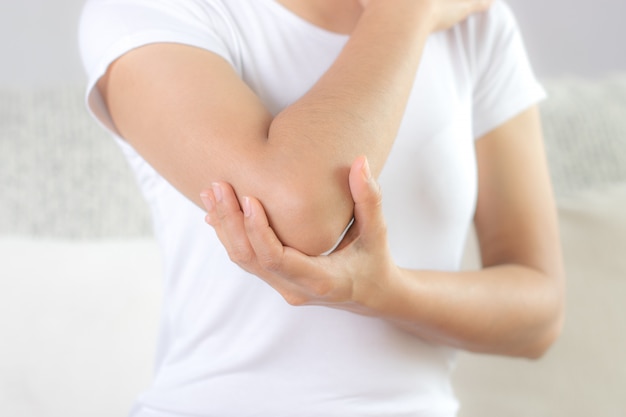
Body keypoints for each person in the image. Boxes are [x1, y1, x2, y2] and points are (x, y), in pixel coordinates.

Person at [79, 0, 565, 415]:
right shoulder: (151, 11)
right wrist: (407, 11)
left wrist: (388, 292)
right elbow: (302, 216)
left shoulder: (474, 22)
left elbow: (539, 314)